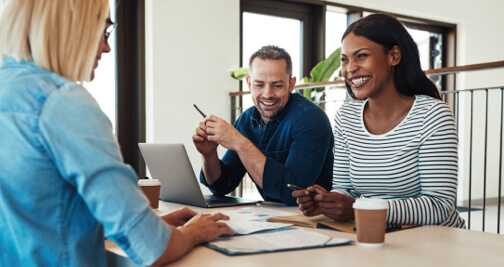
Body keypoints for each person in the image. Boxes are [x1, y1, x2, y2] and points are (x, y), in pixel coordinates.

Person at [0, 1, 233, 266]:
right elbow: (153, 248)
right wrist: (195, 231)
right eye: (105, 31)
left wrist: (149, 223)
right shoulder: (63, 103)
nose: (107, 47)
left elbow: (41, 219)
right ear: (73, 26)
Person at [293, 13, 465, 228]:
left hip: (436, 241)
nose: (350, 68)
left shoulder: (432, 115)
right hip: (378, 234)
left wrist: (359, 207)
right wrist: (330, 202)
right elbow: (345, 188)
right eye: (345, 59)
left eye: (361, 56)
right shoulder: (346, 117)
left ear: (394, 56)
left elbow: (439, 206)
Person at [192, 45, 334, 206]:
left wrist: (239, 142)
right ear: (249, 83)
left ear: (291, 84)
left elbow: (292, 194)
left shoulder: (310, 118)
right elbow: (222, 186)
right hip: (274, 218)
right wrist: (209, 155)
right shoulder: (246, 120)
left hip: (315, 221)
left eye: (277, 85)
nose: (268, 94)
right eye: (259, 85)